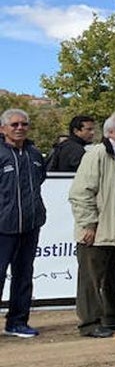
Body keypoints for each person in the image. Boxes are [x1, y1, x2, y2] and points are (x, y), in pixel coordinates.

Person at [69, 111, 115, 338]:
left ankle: (113, 315)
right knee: (91, 275)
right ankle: (90, 322)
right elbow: (81, 192)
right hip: (99, 226)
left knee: (113, 273)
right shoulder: (98, 154)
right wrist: (88, 224)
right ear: (110, 132)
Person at [0, 109, 47, 338]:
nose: (19, 128)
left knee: (24, 275)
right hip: (3, 227)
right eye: (14, 124)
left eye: (24, 124)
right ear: (3, 129)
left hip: (30, 225)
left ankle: (17, 322)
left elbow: (40, 180)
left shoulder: (35, 154)